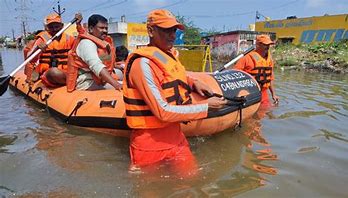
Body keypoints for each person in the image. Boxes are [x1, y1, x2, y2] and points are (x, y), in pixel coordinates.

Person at [123, 9, 227, 176]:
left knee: (192, 181)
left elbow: (174, 75)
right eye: (166, 30)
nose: (172, 35)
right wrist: (205, 106)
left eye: (174, 30)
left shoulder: (168, 56)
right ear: (150, 31)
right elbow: (162, 112)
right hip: (149, 145)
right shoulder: (142, 64)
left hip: (176, 138)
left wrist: (193, 82)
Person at [66, 14, 122, 91]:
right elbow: (96, 66)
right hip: (86, 82)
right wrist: (116, 84)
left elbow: (108, 63)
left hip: (100, 79)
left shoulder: (103, 43)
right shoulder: (86, 43)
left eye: (106, 28)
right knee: (122, 90)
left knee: (122, 75)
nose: (105, 31)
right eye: (101, 28)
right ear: (91, 29)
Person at [25, 13, 83, 87]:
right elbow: (30, 59)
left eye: (57, 26)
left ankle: (72, 80)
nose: (54, 29)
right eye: (51, 27)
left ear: (62, 26)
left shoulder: (70, 39)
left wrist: (78, 25)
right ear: (47, 28)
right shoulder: (42, 39)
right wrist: (37, 49)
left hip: (66, 72)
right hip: (48, 73)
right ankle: (74, 81)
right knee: (54, 72)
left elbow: (82, 46)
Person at [234, 34, 279, 107]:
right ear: (258, 45)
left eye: (268, 44)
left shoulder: (269, 60)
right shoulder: (247, 58)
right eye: (265, 44)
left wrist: (273, 94)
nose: (267, 46)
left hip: (263, 93)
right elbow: (234, 75)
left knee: (266, 111)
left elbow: (270, 78)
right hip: (250, 92)